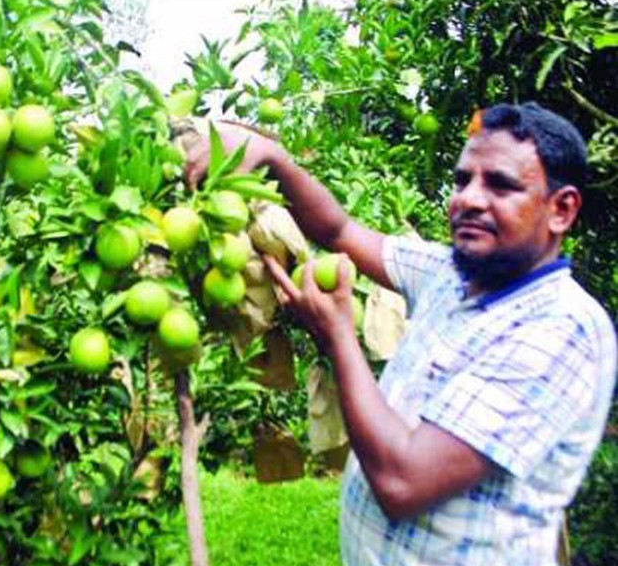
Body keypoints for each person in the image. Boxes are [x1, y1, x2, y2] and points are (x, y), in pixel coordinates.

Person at [185, 103, 617, 565]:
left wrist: (336, 337)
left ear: (562, 209)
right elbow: (340, 229)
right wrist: (274, 158)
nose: (468, 198)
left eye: (500, 184)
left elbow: (403, 482)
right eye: (462, 180)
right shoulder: (453, 275)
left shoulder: (559, 329)